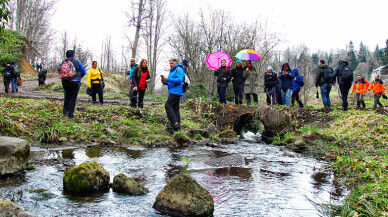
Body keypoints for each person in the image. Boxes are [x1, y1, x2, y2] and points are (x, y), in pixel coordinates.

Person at [59, 50, 86, 118]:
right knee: (73, 97)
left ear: (66, 55)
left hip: (65, 81)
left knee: (67, 95)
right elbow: (83, 71)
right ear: (73, 55)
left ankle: (65, 111)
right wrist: (78, 77)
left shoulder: (63, 62)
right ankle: (70, 114)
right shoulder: (77, 61)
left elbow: (59, 70)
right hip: (75, 81)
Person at [162, 58, 185, 130]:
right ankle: (178, 126)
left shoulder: (179, 70)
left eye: (171, 63)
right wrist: (164, 81)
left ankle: (173, 122)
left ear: (175, 63)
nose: (170, 65)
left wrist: (168, 79)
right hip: (172, 91)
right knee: (175, 108)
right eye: (170, 63)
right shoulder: (172, 71)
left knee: (167, 105)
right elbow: (170, 82)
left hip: (176, 91)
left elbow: (179, 80)